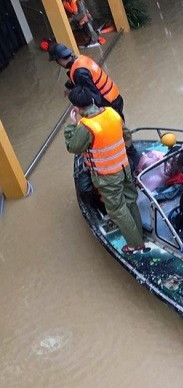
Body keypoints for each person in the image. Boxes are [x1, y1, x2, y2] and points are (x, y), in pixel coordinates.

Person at [64, 87, 145, 253]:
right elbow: (126, 136)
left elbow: (73, 147)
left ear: (77, 109)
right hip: (124, 166)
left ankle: (135, 244)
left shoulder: (85, 127)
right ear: (93, 100)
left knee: (117, 210)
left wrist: (71, 126)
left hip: (107, 176)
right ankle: (140, 234)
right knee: (130, 199)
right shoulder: (111, 112)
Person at [49, 43, 124, 119]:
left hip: (109, 103)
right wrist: (68, 86)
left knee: (114, 128)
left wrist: (92, 114)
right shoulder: (81, 59)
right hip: (115, 96)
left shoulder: (79, 73)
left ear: (59, 60)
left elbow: (93, 96)